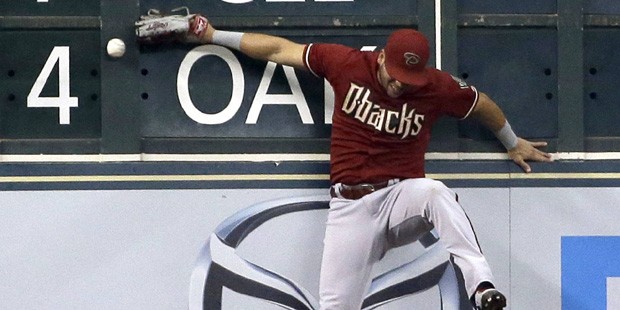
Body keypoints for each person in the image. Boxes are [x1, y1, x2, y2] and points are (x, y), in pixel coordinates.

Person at [137, 13, 553, 310]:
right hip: (349, 209)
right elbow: (281, 49)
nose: (400, 87)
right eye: (395, 78)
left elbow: (482, 104)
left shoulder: (436, 87)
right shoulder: (347, 63)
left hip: (398, 199)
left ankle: (481, 286)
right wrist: (214, 34)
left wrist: (512, 142)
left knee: (435, 193)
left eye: (410, 82)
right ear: (383, 59)